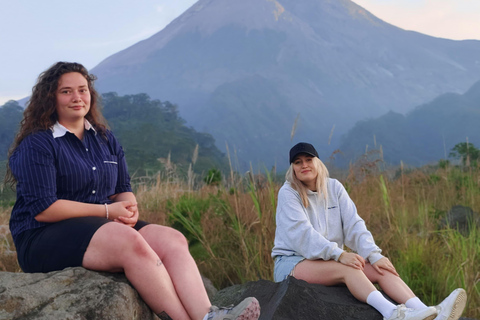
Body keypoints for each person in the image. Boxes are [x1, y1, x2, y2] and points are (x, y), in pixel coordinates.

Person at [5, 62, 260, 320]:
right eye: (66, 91)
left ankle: (209, 315)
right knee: (128, 241)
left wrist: (129, 208)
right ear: (51, 98)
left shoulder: (104, 139)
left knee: (172, 240)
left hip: (98, 226)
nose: (76, 97)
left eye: (82, 90)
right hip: (42, 237)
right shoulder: (38, 143)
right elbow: (44, 208)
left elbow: (122, 189)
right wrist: (107, 211)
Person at [271, 142, 467, 320]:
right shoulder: (288, 192)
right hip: (293, 262)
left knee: (382, 268)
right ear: (293, 169)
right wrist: (339, 255)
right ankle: (393, 314)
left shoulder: (334, 187)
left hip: (327, 259)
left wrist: (373, 255)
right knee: (349, 267)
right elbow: (303, 234)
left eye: (308, 159)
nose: (304, 165)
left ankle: (430, 312)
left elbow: (354, 224)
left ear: (318, 162)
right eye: (297, 162)